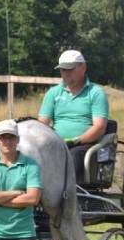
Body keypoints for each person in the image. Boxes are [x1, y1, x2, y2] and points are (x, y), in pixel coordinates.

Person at [37, 50, 109, 182]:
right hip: (56, 143)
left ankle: (68, 196)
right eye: (62, 70)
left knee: (73, 155)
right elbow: (42, 124)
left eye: (69, 69)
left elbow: (99, 127)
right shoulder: (53, 93)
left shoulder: (96, 93)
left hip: (84, 146)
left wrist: (75, 140)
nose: (65, 73)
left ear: (83, 67)